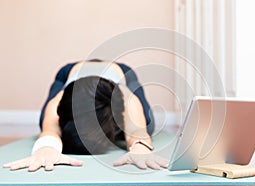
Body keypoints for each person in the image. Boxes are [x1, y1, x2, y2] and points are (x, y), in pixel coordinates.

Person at [3, 59, 168, 172]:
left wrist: (140, 148)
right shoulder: (61, 101)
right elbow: (49, 131)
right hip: (70, 73)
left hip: (120, 72)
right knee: (44, 121)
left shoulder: (126, 100)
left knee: (147, 124)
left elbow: (138, 134)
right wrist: (45, 150)